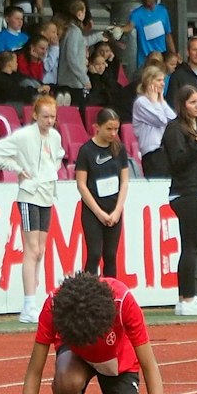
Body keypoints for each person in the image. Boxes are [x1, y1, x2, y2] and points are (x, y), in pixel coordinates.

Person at [20, 272, 179, 394]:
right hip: (75, 358)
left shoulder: (124, 302)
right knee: (66, 383)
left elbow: (150, 366)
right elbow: (34, 373)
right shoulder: (56, 305)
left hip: (118, 362)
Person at [0, 94, 66, 323]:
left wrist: (50, 173)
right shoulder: (23, 136)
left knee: (40, 249)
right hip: (29, 195)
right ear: (35, 115)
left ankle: (34, 300)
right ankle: (28, 304)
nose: (50, 121)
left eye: (53, 117)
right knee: (31, 249)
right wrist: (17, 168)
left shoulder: (56, 136)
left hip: (47, 195)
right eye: (45, 116)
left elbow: (58, 157)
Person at [162, 85, 197, 315]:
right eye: (192, 102)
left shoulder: (196, 126)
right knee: (190, 247)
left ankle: (185, 298)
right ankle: (188, 298)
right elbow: (177, 162)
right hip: (187, 192)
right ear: (183, 104)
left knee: (192, 246)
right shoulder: (175, 129)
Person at [75, 107, 129, 279]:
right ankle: (87, 294)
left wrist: (117, 210)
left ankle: (111, 295)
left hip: (114, 210)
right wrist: (98, 212)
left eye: (116, 129)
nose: (113, 133)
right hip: (93, 211)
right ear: (97, 127)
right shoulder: (86, 151)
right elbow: (81, 185)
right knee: (94, 253)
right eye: (109, 129)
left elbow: (124, 181)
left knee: (111, 255)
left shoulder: (119, 149)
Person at [127, 0, 174, 67]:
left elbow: (168, 35)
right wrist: (119, 29)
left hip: (161, 57)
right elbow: (130, 26)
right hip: (144, 60)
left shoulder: (163, 11)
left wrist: (173, 53)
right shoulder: (137, 14)